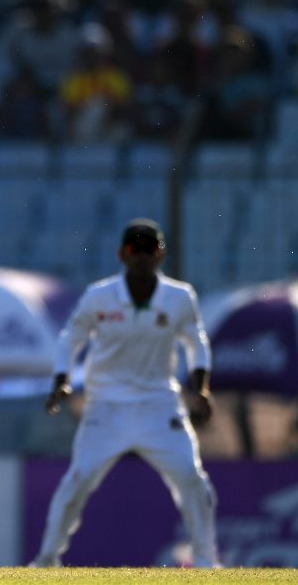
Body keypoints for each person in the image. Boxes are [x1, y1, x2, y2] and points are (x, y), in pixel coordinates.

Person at [31, 218, 220, 568]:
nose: (142, 257)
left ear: (161, 253)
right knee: (77, 481)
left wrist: (202, 389)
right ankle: (46, 559)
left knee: (191, 479)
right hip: (106, 406)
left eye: (149, 249)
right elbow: (70, 338)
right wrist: (61, 380)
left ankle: (207, 560)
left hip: (159, 404)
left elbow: (197, 345)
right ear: (121, 254)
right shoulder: (100, 296)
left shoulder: (179, 297)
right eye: (135, 249)